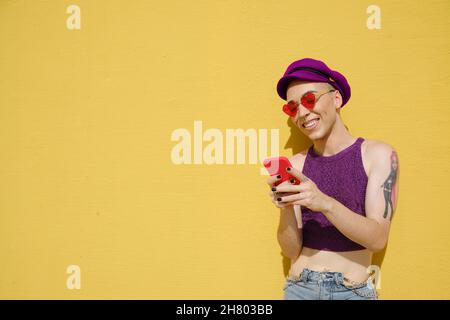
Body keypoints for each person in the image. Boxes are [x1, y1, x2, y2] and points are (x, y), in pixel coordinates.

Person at [267, 58, 400, 300]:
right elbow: (291, 250)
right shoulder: (296, 165)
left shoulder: (378, 155)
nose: (303, 113)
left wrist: (323, 203)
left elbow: (378, 239)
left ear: (336, 98)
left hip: (352, 291)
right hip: (300, 287)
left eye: (310, 99)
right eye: (293, 107)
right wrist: (286, 208)